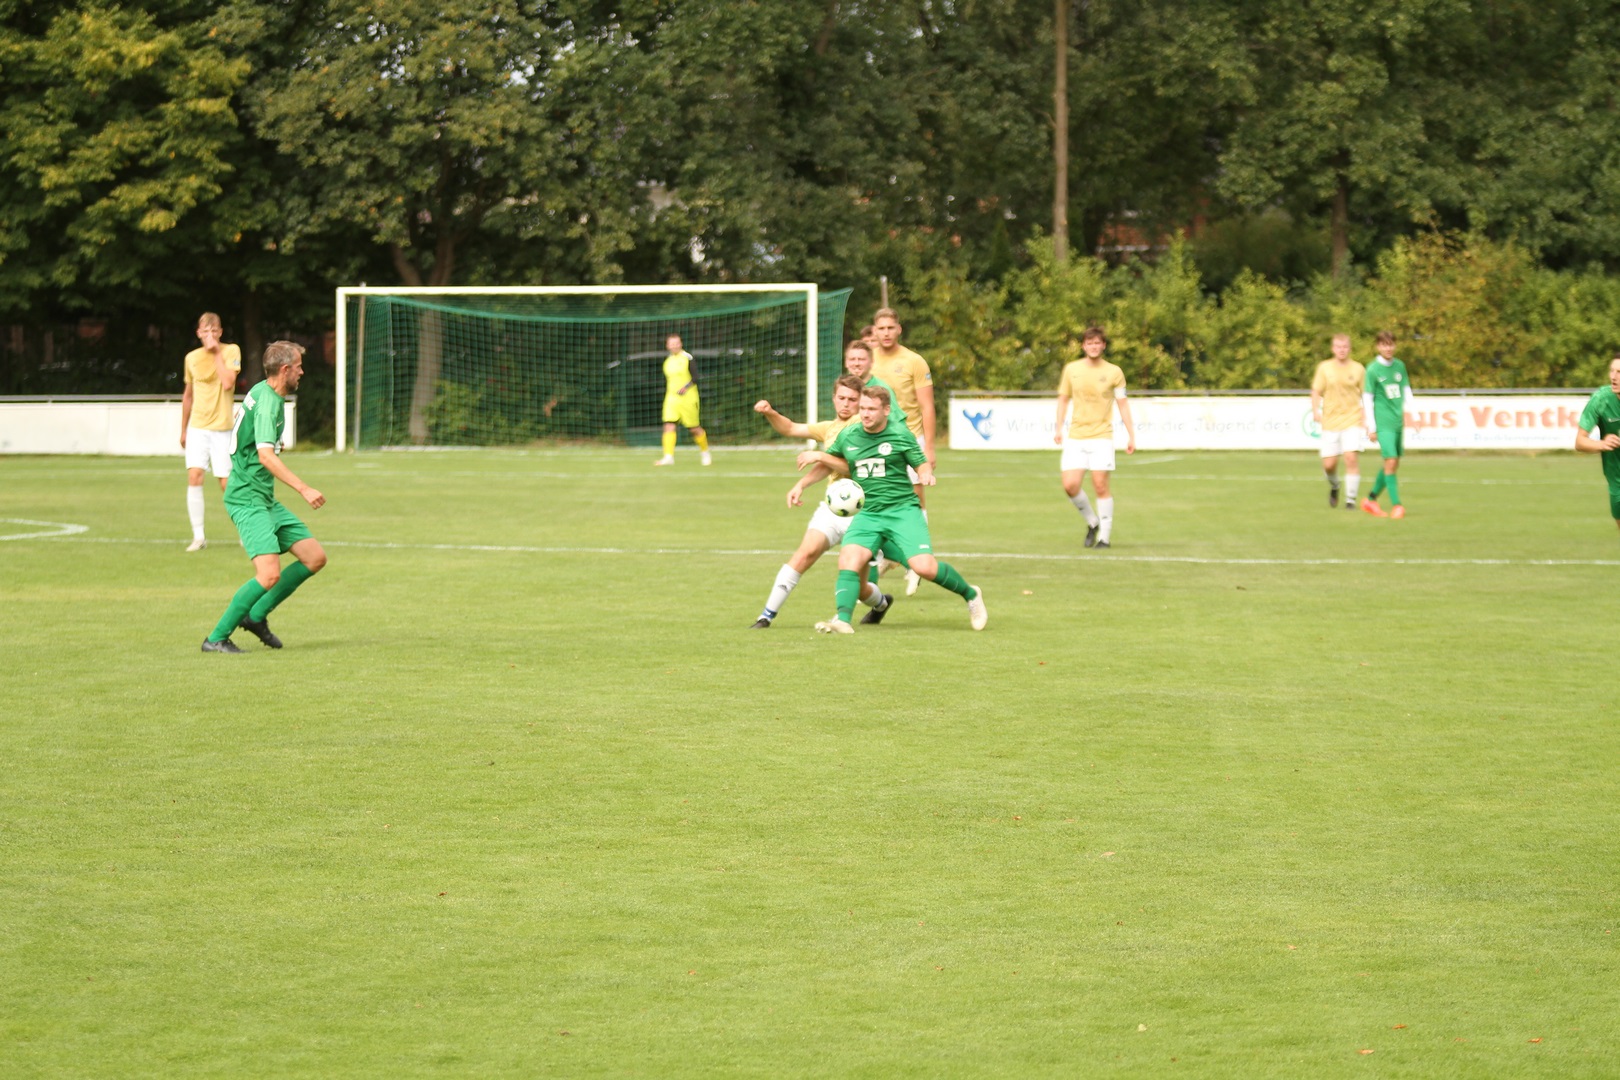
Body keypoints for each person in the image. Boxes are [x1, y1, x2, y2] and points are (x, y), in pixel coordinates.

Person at [798, 385, 986, 634]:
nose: (865, 414)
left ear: (886, 410)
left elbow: (921, 465)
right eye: (863, 408)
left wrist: (926, 474)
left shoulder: (900, 434)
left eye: (872, 409)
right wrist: (802, 484)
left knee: (924, 568)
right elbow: (833, 463)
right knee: (848, 560)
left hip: (902, 511)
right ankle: (842, 619)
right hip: (868, 513)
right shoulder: (849, 435)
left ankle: (971, 594)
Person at [201, 341, 327, 653]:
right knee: (269, 574)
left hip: (264, 499)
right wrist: (304, 488)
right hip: (247, 499)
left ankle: (255, 616)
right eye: (297, 366)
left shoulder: (261, 390)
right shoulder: (269, 404)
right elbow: (267, 456)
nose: (302, 371)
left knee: (314, 557)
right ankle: (216, 638)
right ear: (284, 370)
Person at [749, 375, 894, 628]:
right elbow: (790, 428)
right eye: (842, 398)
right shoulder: (829, 428)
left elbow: (852, 465)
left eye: (852, 399)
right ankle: (766, 616)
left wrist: (819, 455)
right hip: (834, 507)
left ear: (861, 402)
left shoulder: (866, 427)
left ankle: (880, 603)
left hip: (864, 512)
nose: (846, 404)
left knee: (857, 584)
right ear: (833, 398)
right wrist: (770, 412)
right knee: (805, 554)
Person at [869, 308, 936, 594]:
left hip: (910, 439)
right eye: (880, 328)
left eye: (890, 327)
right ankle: (889, 557)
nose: (885, 333)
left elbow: (927, 406)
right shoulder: (867, 361)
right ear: (874, 330)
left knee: (915, 500)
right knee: (879, 499)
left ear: (899, 329)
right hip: (875, 442)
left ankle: (916, 563)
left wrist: (929, 448)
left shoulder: (914, 361)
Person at [1053, 326, 1135, 548]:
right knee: (1070, 485)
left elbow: (1123, 404)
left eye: (1097, 343)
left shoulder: (1114, 372)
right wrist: (1059, 428)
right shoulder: (1072, 369)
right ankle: (1092, 521)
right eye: (1090, 343)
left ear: (1104, 345)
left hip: (1102, 436)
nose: (1093, 346)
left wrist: (1131, 435)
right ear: (1083, 345)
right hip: (1076, 436)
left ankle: (1104, 538)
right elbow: (1063, 399)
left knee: (1100, 484)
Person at [180, 312, 242, 551]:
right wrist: (183, 430)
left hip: (223, 429)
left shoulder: (231, 351)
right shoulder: (191, 358)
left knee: (227, 483)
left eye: (214, 331)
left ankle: (243, 531)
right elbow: (188, 395)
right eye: (205, 332)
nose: (210, 335)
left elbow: (228, 383)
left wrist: (216, 352)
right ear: (198, 334)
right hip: (197, 427)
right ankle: (198, 536)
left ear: (220, 332)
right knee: (194, 476)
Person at [1311, 333, 1367, 510]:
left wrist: (1366, 417)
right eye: (1338, 347)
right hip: (1330, 421)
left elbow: (1367, 394)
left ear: (1349, 349)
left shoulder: (1358, 369)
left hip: (1353, 419)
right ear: (1333, 349)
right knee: (1329, 465)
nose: (1342, 350)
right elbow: (1316, 391)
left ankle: (1350, 500)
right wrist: (1315, 411)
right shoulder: (1324, 368)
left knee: (1351, 458)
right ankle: (1335, 485)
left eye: (1345, 347)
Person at [1361, 331, 1411, 518]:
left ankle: (1370, 500)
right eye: (1384, 344)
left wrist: (1413, 414)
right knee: (1390, 461)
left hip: (1398, 422)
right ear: (1378, 346)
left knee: (1393, 464)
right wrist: (1371, 426)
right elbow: (1367, 397)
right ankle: (1397, 505)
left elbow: (1406, 390)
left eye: (1390, 344)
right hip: (1383, 423)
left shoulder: (1400, 366)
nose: (1388, 348)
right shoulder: (1373, 369)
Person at [1575, 353, 1620, 535]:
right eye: (1612, 371)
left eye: (1619, 372)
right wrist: (1602, 444)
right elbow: (1580, 442)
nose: (1614, 377)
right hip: (1617, 482)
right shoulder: (1601, 399)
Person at [654, 333, 710, 466]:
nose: (674, 346)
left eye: (676, 343)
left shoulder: (687, 357)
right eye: (671, 343)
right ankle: (668, 457)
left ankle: (705, 452)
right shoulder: (667, 361)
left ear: (681, 344)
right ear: (667, 345)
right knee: (669, 425)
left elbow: (695, 377)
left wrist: (686, 387)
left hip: (688, 398)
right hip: (671, 399)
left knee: (693, 428)